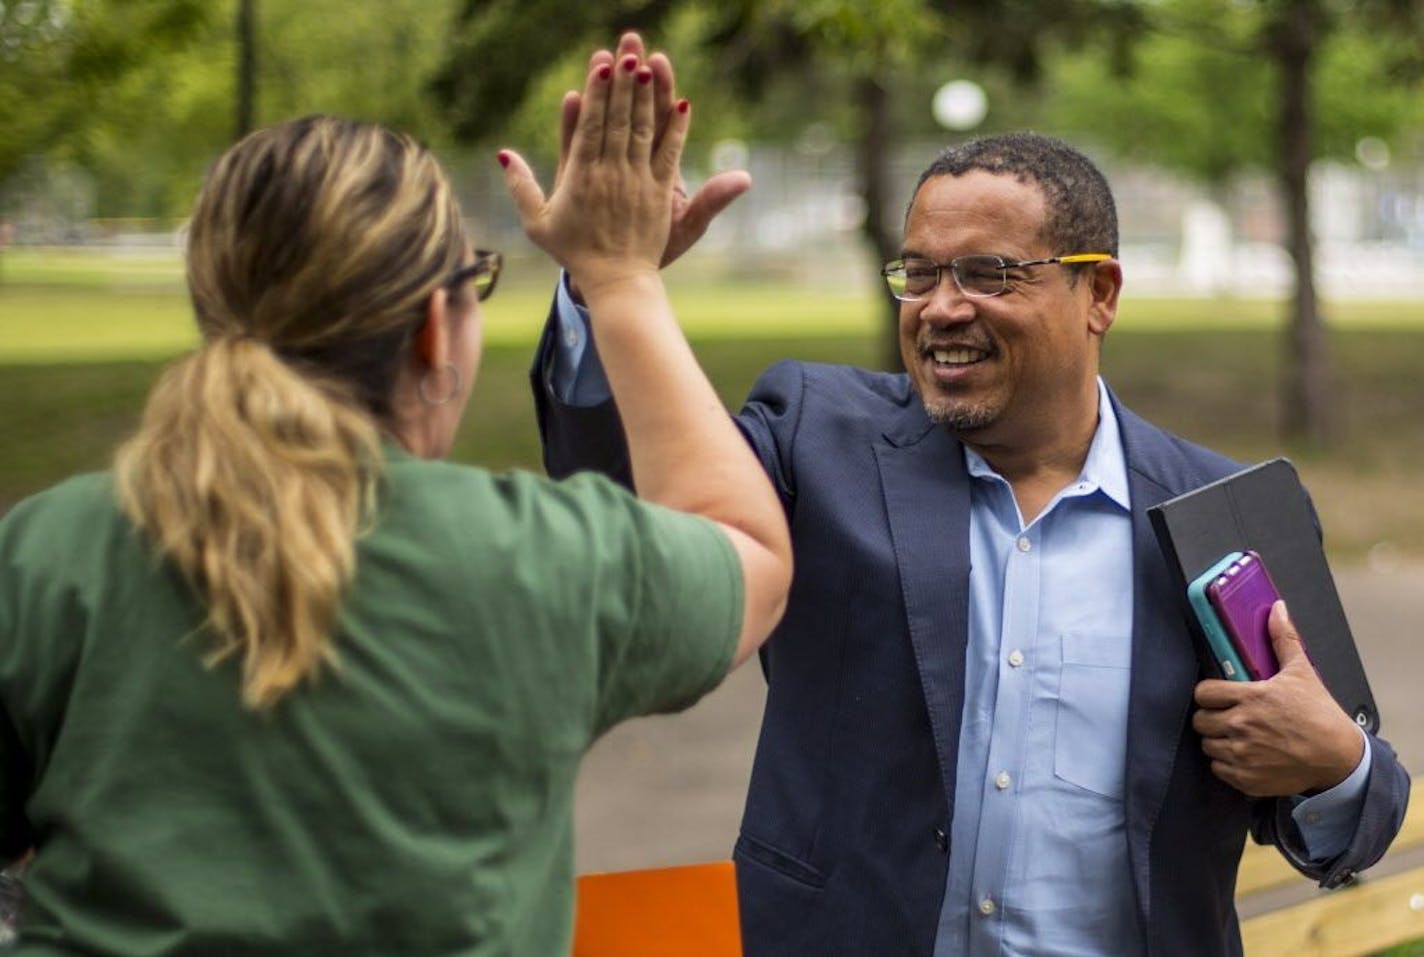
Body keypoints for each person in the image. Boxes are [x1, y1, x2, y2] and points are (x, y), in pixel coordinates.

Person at [532, 39, 1410, 957]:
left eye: (988, 274)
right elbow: (625, 517)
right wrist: (608, 288)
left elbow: (1354, 817)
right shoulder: (814, 437)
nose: (941, 307)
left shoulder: (1226, 511)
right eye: (920, 272)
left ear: (1098, 291)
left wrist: (1334, 764)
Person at [0, 46, 791, 956]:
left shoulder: (49, 549)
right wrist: (620, 278)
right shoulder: (538, 558)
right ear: (432, 326)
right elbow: (746, 550)